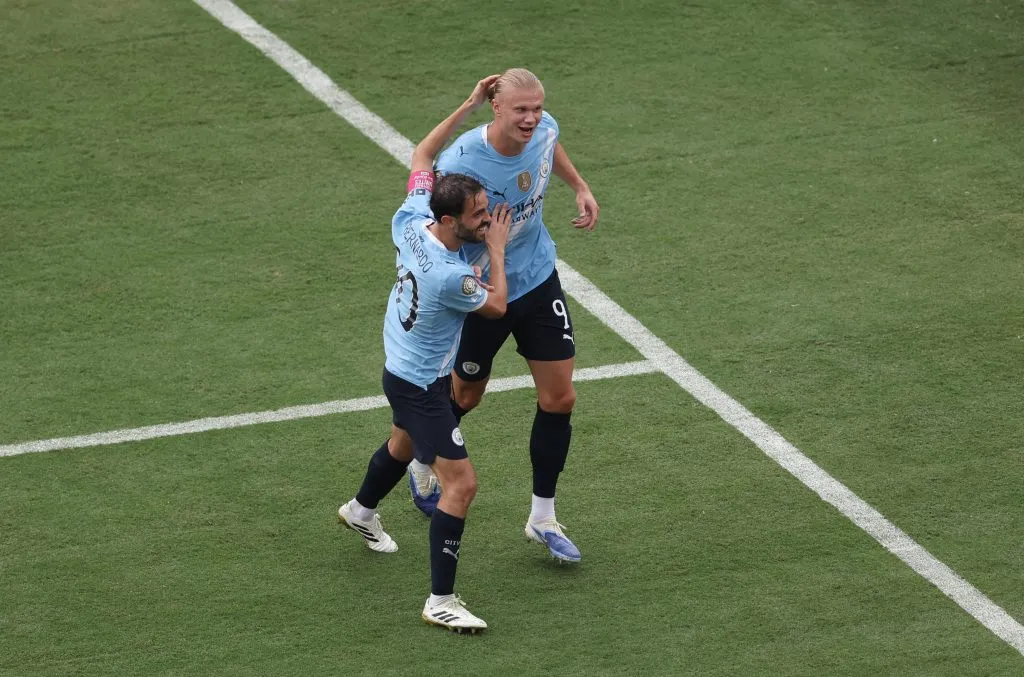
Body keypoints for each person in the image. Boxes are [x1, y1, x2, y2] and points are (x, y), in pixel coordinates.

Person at [337, 75, 510, 633]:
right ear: (451, 221)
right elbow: (497, 307)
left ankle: (360, 511)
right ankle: (441, 599)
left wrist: (468, 103)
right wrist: (500, 251)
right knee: (462, 484)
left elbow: (422, 153)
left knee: (401, 443)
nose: (487, 218)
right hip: (420, 384)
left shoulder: (414, 217)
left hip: (402, 366)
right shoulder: (452, 276)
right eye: (480, 214)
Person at [407, 68, 599, 564]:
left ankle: (543, 517)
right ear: (496, 107)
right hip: (483, 295)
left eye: (536, 108)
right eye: (521, 110)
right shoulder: (463, 162)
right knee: (466, 394)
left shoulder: (545, 127)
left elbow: (549, 146)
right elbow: (439, 225)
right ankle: (422, 457)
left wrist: (578, 184)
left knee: (560, 397)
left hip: (537, 279)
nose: (532, 118)